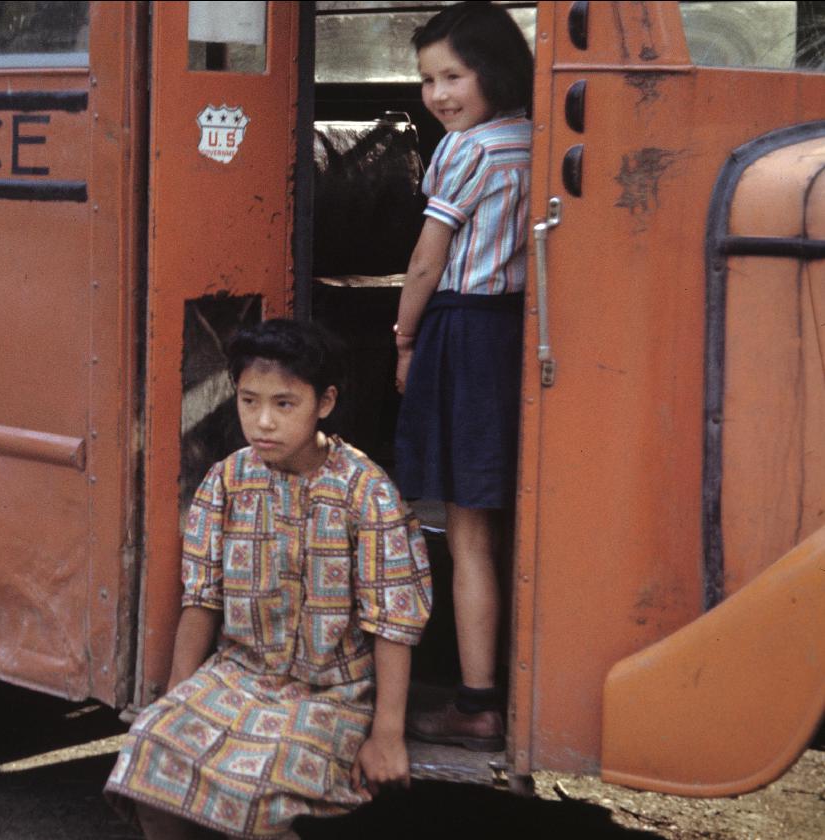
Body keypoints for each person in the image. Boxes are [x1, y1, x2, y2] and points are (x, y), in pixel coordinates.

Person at [107, 319, 433, 839]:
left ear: (323, 402)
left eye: (284, 404)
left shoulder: (366, 493)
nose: (262, 422)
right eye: (248, 401)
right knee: (147, 756)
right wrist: (174, 698)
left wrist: (386, 734)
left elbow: (393, 622)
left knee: (255, 793)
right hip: (238, 675)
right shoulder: (227, 480)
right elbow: (202, 599)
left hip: (330, 695)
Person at [392, 1, 534, 752]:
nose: (440, 94)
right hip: (516, 331)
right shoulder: (536, 140)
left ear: (494, 71)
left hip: (463, 330)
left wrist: (404, 339)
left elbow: (426, 258)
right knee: (507, 517)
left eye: (454, 75)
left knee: (466, 533)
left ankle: (476, 702)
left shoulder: (465, 151)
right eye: (427, 79)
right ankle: (516, 684)